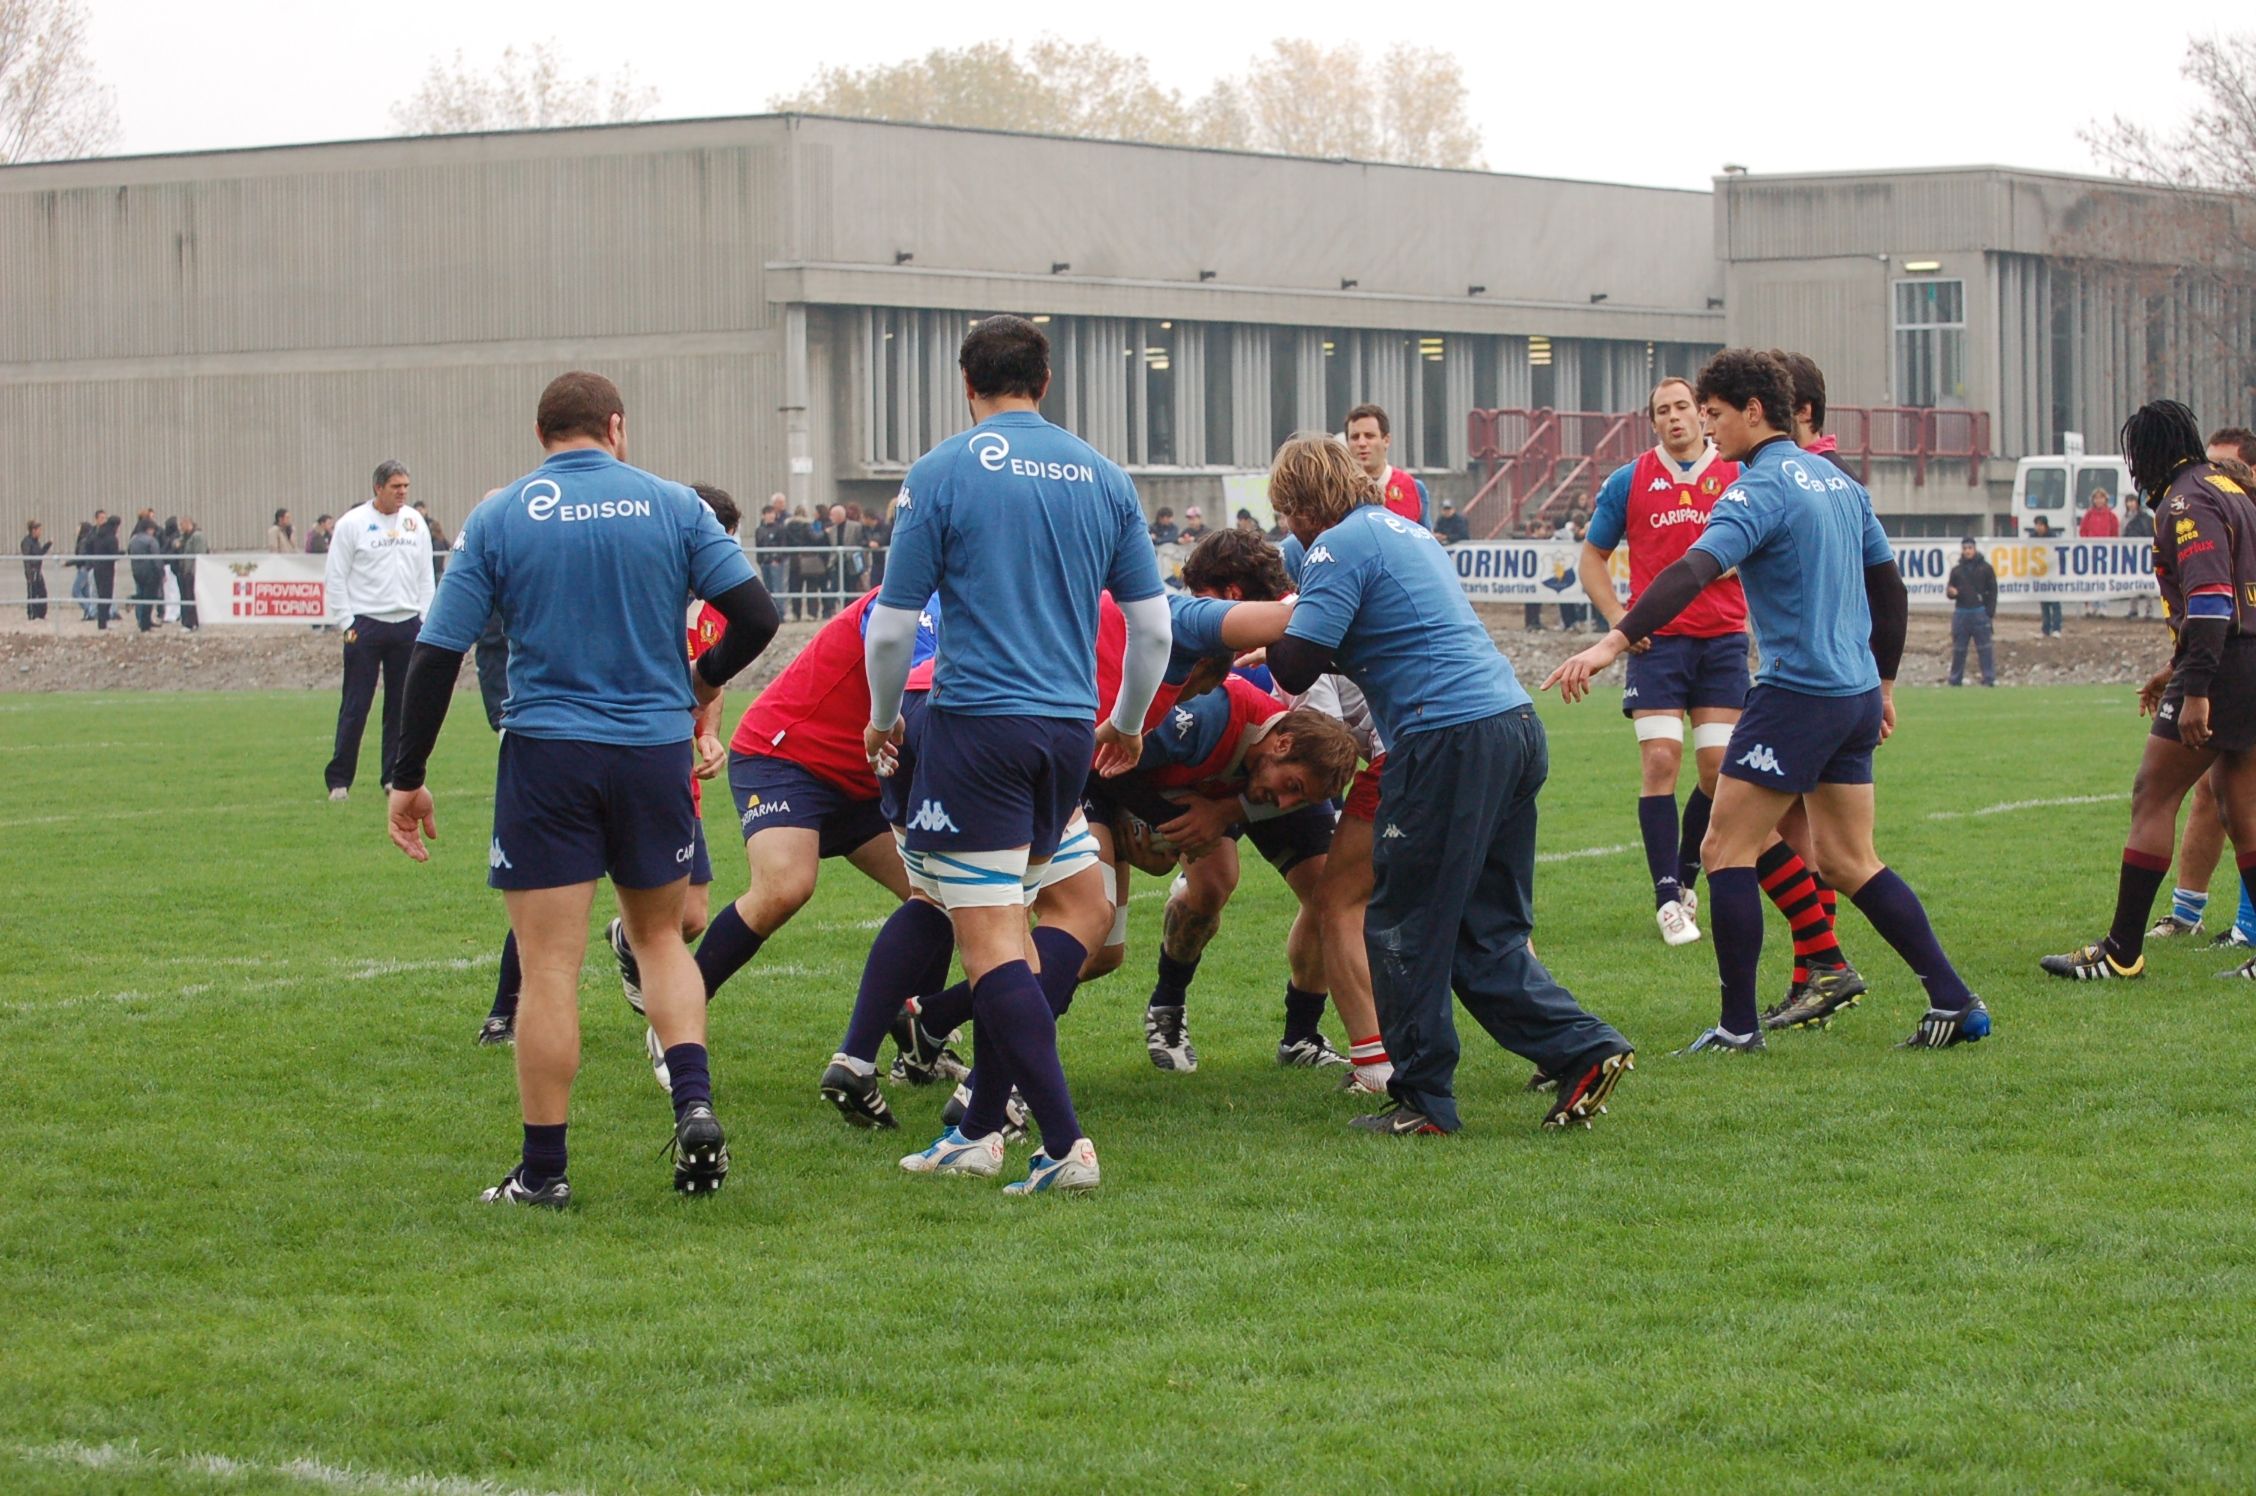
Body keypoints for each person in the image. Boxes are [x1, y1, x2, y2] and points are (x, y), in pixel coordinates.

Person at [387, 370, 779, 1207]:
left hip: (549, 753)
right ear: (615, 427)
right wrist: (698, 681)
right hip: (651, 751)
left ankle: (544, 1174)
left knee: (551, 967)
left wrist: (408, 777)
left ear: (542, 438)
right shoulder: (675, 505)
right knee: (662, 940)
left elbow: (436, 651)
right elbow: (758, 615)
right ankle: (695, 1105)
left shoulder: (502, 515)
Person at [1546, 348, 1988, 1053]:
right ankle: (1955, 998)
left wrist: (1613, 642)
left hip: (1797, 693)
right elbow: (1891, 589)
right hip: (1850, 693)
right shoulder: (1838, 481)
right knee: (1848, 860)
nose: (1710, 429)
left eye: (1715, 414)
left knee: (1725, 849)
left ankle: (1738, 1026)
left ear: (1754, 411)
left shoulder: (1758, 487)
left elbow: (1694, 568)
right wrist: (1884, 684)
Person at [853, 313, 1169, 1195]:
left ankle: (1064, 1145)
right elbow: (1151, 628)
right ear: (1048, 378)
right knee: (1073, 906)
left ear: (967, 383)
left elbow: (891, 626)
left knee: (988, 939)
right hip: (1068, 730)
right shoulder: (1104, 477)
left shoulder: (943, 471)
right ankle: (981, 1128)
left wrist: (883, 718)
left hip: (977, 728)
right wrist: (1127, 721)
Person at [1254, 435, 1635, 1134]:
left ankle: (1424, 1099)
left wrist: (1264, 627)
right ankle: (1583, 1049)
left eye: (1287, 514)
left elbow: (1299, 662)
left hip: (1445, 739)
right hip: (1511, 724)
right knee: (1482, 928)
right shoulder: (1404, 530)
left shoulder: (1339, 542)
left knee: (1403, 923)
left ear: (1303, 505)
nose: (1289, 530)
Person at [2043, 401, 2256, 984]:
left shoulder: (2186, 499)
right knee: (2242, 806)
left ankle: (2121, 951)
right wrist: (2177, 665)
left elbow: (2212, 598)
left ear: (2149, 453)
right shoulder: (2232, 488)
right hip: (2248, 659)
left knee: (2152, 794)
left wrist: (2196, 688)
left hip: (2224, 665)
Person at [1579, 377, 1751, 946]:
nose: (1674, 417)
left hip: (1723, 642)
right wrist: (1618, 622)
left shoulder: (1737, 473)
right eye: (1662, 411)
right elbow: (1592, 558)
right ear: (1651, 422)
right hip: (1658, 646)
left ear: (1702, 415)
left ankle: (1687, 877)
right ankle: (1665, 898)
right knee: (1659, 761)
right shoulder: (1629, 481)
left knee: (1715, 769)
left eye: (1683, 407)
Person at [321, 461, 434, 801]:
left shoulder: (415, 523)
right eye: (396, 486)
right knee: (357, 704)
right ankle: (339, 780)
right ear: (378, 488)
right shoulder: (352, 524)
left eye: (406, 487)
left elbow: (425, 576)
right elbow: (336, 575)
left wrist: (426, 620)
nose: (402, 493)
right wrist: (346, 622)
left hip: (407, 623)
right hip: (366, 623)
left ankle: (392, 777)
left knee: (401, 706)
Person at [1343, 404, 1430, 525]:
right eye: (1355, 437)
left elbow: (1425, 540)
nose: (1362, 443)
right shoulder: (1338, 491)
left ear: (1386, 440)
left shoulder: (1413, 488)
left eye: (1369, 436)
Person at [1946, 537, 1998, 687]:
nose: (1967, 551)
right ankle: (1955, 679)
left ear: (1974, 549)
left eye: (1970, 548)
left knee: (1985, 648)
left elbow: (1993, 591)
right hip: (1961, 612)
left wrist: (1989, 613)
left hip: (1979, 611)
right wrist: (1952, 593)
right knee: (1959, 649)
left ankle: (1989, 678)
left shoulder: (1985, 568)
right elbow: (1950, 591)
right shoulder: (1956, 570)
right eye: (1965, 548)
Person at [126, 517, 164, 632]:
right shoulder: (151, 541)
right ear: (149, 529)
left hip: (137, 571)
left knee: (142, 595)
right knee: (149, 598)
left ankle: (142, 619)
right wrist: (160, 572)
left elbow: (129, 552)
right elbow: (156, 558)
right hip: (150, 572)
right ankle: (145, 624)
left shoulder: (133, 539)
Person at [2028, 515, 2063, 638]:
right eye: (2037, 525)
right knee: (2044, 603)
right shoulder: (2032, 538)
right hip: (2040, 574)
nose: (2038, 527)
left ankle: (2057, 628)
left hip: (2052, 573)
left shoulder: (2053, 538)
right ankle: (2045, 629)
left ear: (2046, 526)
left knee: (2055, 602)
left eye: (2041, 525)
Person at [84, 514, 120, 629]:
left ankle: (101, 622)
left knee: (100, 595)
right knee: (107, 595)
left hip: (97, 568)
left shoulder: (97, 535)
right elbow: (114, 555)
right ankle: (103, 622)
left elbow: (88, 545)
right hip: (107, 569)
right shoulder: (112, 538)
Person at [174, 517, 206, 630]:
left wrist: (194, 571)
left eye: (182, 525)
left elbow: (200, 555)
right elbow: (177, 543)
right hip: (186, 571)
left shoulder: (197, 536)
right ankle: (190, 621)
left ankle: (192, 622)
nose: (181, 528)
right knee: (187, 597)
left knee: (191, 597)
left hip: (192, 572)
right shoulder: (186, 537)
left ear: (188, 524)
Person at [20, 520, 49, 621]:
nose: (40, 532)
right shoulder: (27, 542)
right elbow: (27, 559)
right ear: (33, 530)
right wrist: (29, 574)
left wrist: (47, 546)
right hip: (32, 571)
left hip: (38, 571)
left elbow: (39, 553)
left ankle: (41, 614)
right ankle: (32, 614)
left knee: (42, 592)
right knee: (32, 593)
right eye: (39, 530)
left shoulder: (36, 542)